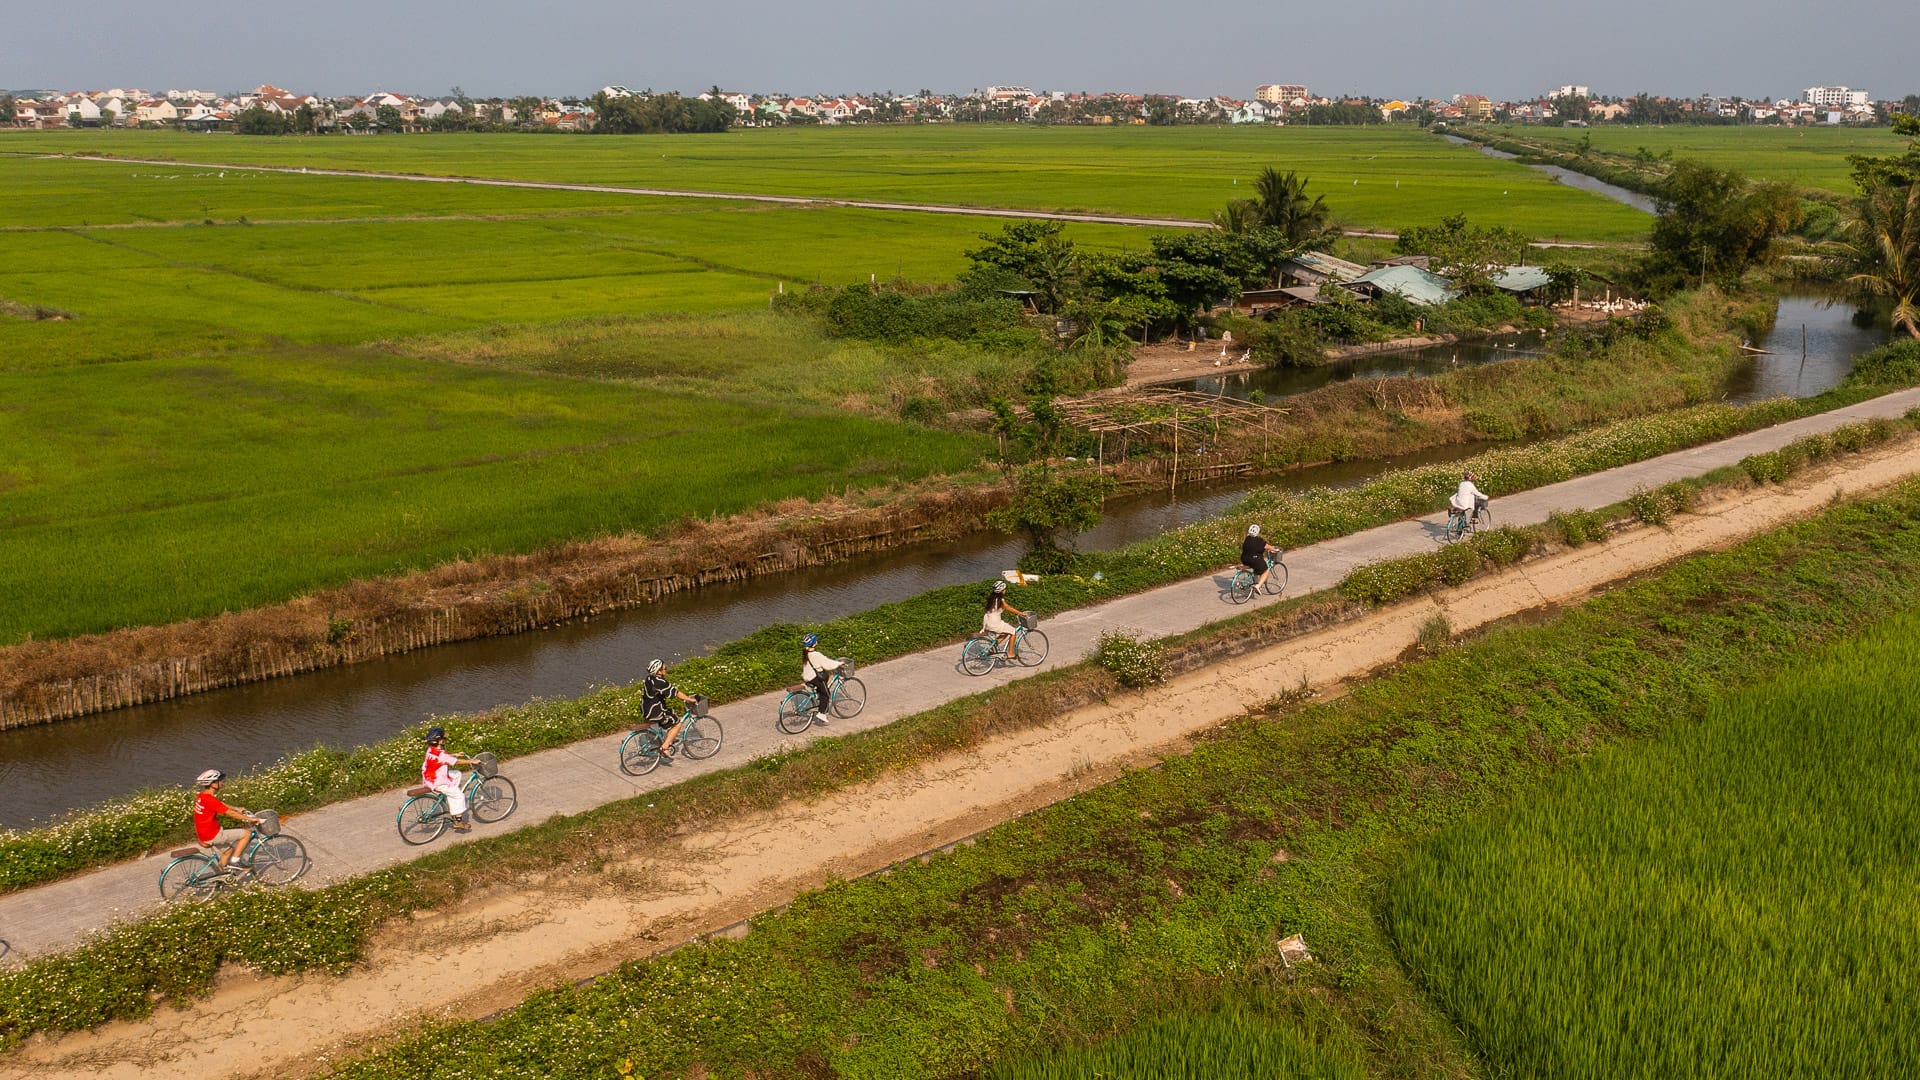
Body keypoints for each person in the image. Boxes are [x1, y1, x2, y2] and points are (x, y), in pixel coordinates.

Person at [193, 769, 262, 875]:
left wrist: (236, 808)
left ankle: (220, 877)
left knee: (228, 851)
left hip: (204, 833)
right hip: (213, 834)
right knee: (246, 834)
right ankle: (235, 861)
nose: (222, 782)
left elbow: (220, 804)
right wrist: (251, 819)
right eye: (220, 780)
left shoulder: (202, 796)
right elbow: (230, 813)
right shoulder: (210, 800)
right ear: (213, 784)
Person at [639, 658, 696, 763]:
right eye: (665, 668)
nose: (666, 670)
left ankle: (668, 738)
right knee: (677, 724)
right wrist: (689, 699)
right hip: (656, 710)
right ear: (658, 671)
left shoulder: (649, 678)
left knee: (671, 716)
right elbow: (675, 692)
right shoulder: (659, 682)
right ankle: (665, 747)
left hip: (646, 708)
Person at [421, 727, 478, 831]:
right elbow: (456, 762)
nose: (444, 740)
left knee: (456, 774)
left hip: (429, 778)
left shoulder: (430, 750)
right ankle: (458, 821)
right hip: (437, 781)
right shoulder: (441, 754)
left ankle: (450, 797)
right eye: (442, 738)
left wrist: (455, 754)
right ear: (438, 741)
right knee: (459, 796)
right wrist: (472, 761)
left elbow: (443, 757)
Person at [800, 633, 842, 726]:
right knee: (826, 694)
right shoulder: (816, 655)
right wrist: (838, 663)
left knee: (822, 688)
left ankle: (819, 698)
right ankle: (821, 714)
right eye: (816, 641)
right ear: (814, 644)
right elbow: (827, 664)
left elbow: (821, 661)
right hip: (815, 678)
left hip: (807, 677)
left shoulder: (806, 654)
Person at [982, 579, 1028, 661]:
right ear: (1001, 591)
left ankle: (992, 648)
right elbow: (1009, 608)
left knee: (1006, 632)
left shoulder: (991, 599)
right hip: (995, 624)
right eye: (1004, 589)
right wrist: (1021, 613)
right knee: (1013, 631)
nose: (1005, 591)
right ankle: (1010, 653)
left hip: (988, 622)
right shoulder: (1000, 600)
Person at [1241, 524, 1281, 592]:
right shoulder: (1259, 540)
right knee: (1266, 570)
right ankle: (1258, 586)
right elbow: (1267, 546)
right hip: (1254, 560)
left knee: (1257, 567)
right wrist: (1275, 550)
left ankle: (1255, 582)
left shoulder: (1247, 539)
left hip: (1244, 559)